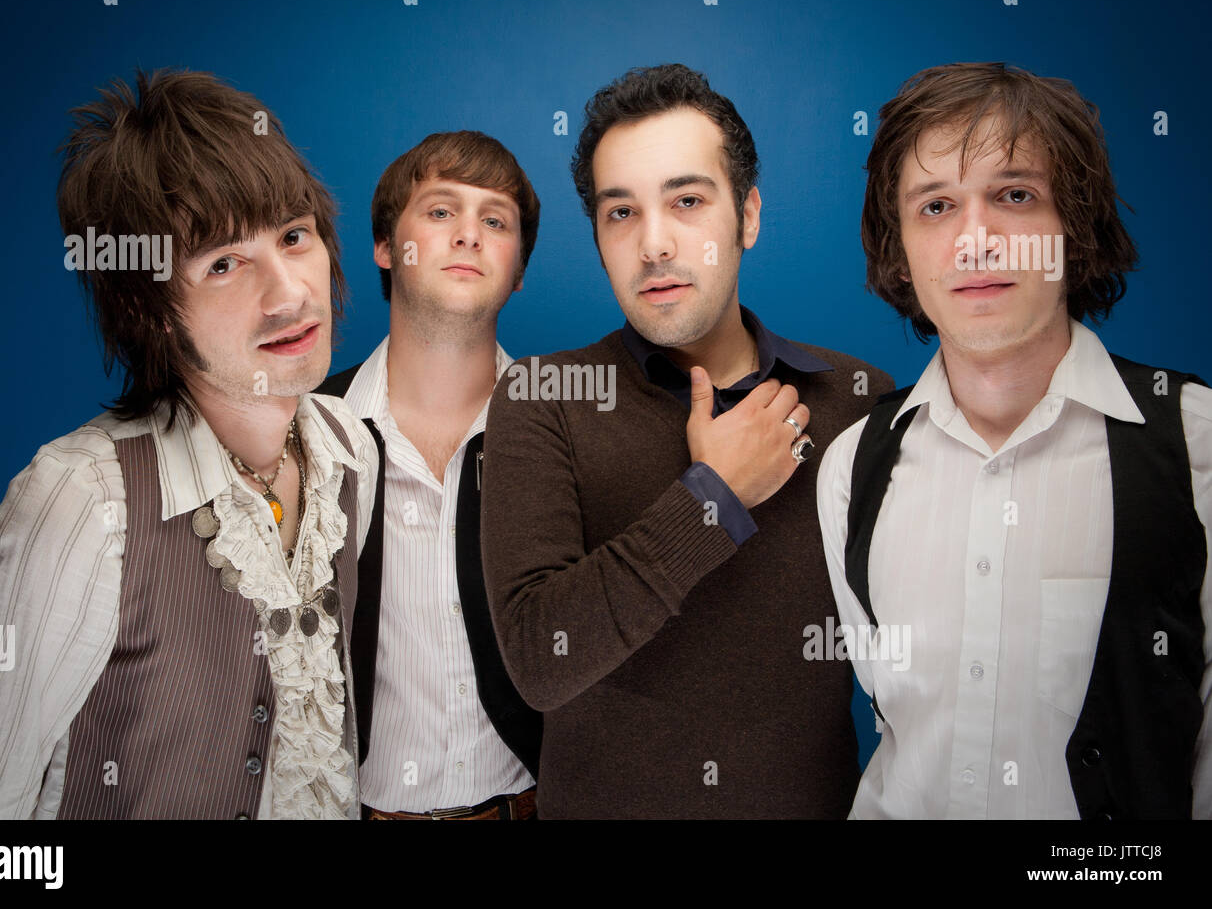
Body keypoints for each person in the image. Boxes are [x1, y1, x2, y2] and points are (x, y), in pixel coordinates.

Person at [0, 69, 378, 819]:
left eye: (295, 237)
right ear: (152, 310)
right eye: (224, 264)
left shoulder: (350, 448)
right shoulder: (81, 500)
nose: (289, 292)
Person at [479, 63, 894, 818]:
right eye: (621, 213)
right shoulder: (543, 397)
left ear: (749, 216)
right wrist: (714, 499)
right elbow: (540, 659)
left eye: (688, 201)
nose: (654, 243)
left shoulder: (860, 401)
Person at [817, 61, 1211, 818]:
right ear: (900, 250)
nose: (975, 240)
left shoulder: (1196, 449)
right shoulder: (851, 470)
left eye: (1015, 195)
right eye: (935, 205)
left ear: (1075, 225)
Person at [315, 131, 542, 819]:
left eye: (495, 220)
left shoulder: (566, 433)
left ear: (519, 268)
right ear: (386, 247)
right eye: (441, 212)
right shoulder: (304, 436)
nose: (469, 234)